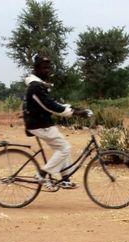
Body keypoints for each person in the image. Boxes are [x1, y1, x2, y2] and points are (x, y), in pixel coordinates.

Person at [22, 55, 91, 189]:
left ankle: (65, 179)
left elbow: (54, 103)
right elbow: (50, 106)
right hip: (39, 124)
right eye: (44, 68)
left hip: (44, 123)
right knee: (64, 148)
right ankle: (41, 174)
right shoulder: (35, 87)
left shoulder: (40, 85)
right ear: (36, 69)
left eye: (49, 67)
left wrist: (73, 108)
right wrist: (75, 113)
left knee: (62, 147)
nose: (47, 70)